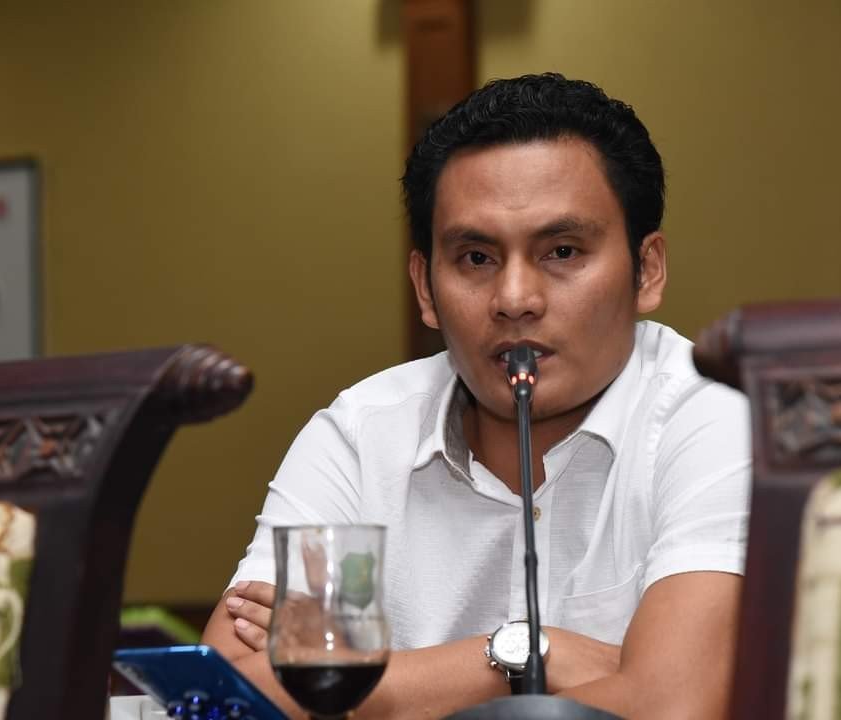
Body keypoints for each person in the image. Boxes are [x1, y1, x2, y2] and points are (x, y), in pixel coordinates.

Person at [201, 72, 751, 719]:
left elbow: (672, 706)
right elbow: (225, 700)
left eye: (562, 250)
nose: (515, 299)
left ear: (646, 270)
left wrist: (365, 688)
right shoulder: (361, 434)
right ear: (425, 288)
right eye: (476, 259)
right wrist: (523, 654)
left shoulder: (712, 415)